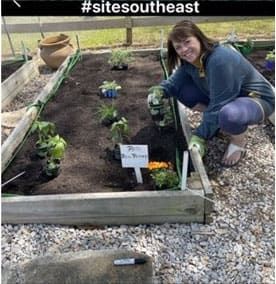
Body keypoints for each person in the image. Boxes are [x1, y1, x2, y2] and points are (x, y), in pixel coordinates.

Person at [153, 20, 274, 167]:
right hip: (227, 96)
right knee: (181, 90)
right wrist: (159, 91)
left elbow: (220, 103)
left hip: (256, 100)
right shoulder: (191, 60)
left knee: (229, 115)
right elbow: (175, 81)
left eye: (187, 42)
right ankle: (217, 122)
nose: (184, 50)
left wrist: (200, 136)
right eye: (178, 47)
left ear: (199, 38)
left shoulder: (219, 60)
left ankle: (238, 140)